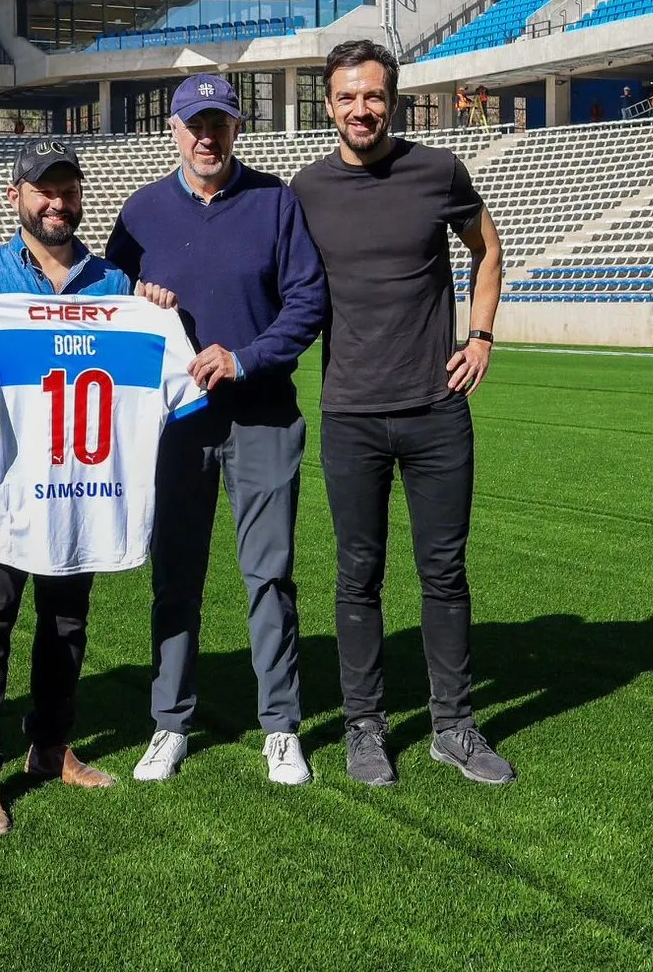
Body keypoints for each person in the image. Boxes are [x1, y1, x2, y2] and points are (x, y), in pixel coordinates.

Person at [0, 141, 176, 836]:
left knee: (67, 622)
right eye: (43, 189)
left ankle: (49, 745)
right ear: (16, 196)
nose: (56, 202)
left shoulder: (116, 287)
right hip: (0, 489)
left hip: (82, 489)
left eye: (68, 189)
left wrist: (155, 309)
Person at [290, 39, 514, 788]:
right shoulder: (306, 189)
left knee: (444, 573)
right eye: (348, 96)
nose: (362, 108)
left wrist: (480, 335)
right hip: (351, 412)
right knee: (358, 576)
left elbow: (489, 247)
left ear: (394, 100)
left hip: (435, 409)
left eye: (375, 96)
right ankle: (364, 726)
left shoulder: (438, 171)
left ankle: (453, 724)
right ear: (329, 104)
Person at [105, 74, 328, 787]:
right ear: (173, 130)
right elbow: (109, 309)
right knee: (176, 578)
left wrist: (245, 358)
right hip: (175, 427)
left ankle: (282, 725)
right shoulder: (140, 214)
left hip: (262, 415)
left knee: (270, 577)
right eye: (195, 124)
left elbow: (307, 304)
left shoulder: (276, 202)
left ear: (237, 129)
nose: (207, 136)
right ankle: (170, 721)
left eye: (220, 123)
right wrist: (137, 299)